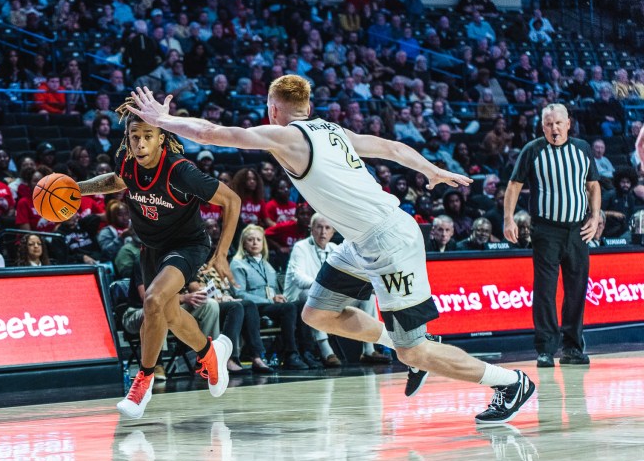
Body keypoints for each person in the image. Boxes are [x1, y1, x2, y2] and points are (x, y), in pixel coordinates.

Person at [129, 78, 537, 424]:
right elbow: (392, 148)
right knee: (316, 313)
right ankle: (402, 347)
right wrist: (428, 168)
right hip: (362, 241)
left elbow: (212, 133)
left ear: (273, 108)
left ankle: (509, 383)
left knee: (418, 348)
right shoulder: (333, 131)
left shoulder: (288, 136)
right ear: (308, 106)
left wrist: (161, 121)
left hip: (390, 242)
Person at [75, 96, 241, 419]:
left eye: (148, 136)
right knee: (170, 316)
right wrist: (77, 188)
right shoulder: (125, 159)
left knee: (151, 300)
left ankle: (143, 382)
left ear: (161, 138)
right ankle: (211, 352)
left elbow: (232, 200)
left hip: (188, 244)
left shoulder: (180, 171)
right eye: (134, 136)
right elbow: (114, 181)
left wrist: (221, 255)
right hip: (151, 248)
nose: (140, 143)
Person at [503, 104, 601, 368]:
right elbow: (514, 185)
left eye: (558, 123)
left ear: (569, 123)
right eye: (548, 124)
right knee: (545, 291)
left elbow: (593, 185)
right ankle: (545, 349)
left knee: (576, 290)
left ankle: (572, 348)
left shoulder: (582, 148)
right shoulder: (533, 150)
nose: (554, 128)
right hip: (546, 230)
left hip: (578, 230)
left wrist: (595, 216)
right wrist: (508, 219)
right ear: (542, 126)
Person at [285, 213, 390, 366]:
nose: (323, 232)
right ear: (311, 229)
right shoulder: (300, 247)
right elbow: (298, 277)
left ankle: (368, 349)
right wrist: (321, 287)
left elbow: (352, 276)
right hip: (299, 297)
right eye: (319, 227)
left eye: (327, 228)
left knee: (367, 297)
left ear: (333, 232)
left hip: (329, 296)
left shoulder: (335, 248)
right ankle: (326, 351)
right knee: (312, 295)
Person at [231, 225, 315, 369]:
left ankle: (306, 352)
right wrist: (270, 300)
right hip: (254, 308)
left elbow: (273, 290)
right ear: (243, 243)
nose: (255, 243)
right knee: (288, 308)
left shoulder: (267, 264)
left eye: (258, 239)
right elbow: (240, 294)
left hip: (270, 305)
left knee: (301, 306)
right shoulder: (237, 264)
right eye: (250, 240)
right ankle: (290, 354)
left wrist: (278, 296)